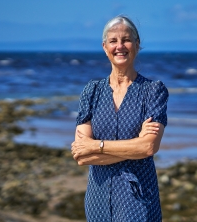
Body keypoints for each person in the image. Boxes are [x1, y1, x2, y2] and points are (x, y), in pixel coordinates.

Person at [71, 15, 168, 221]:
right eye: (113, 41)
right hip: (98, 200)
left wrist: (96, 146)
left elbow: (149, 148)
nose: (120, 46)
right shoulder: (92, 91)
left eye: (126, 39)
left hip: (139, 199)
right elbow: (81, 155)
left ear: (137, 44)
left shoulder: (153, 91)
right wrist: (135, 148)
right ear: (105, 47)